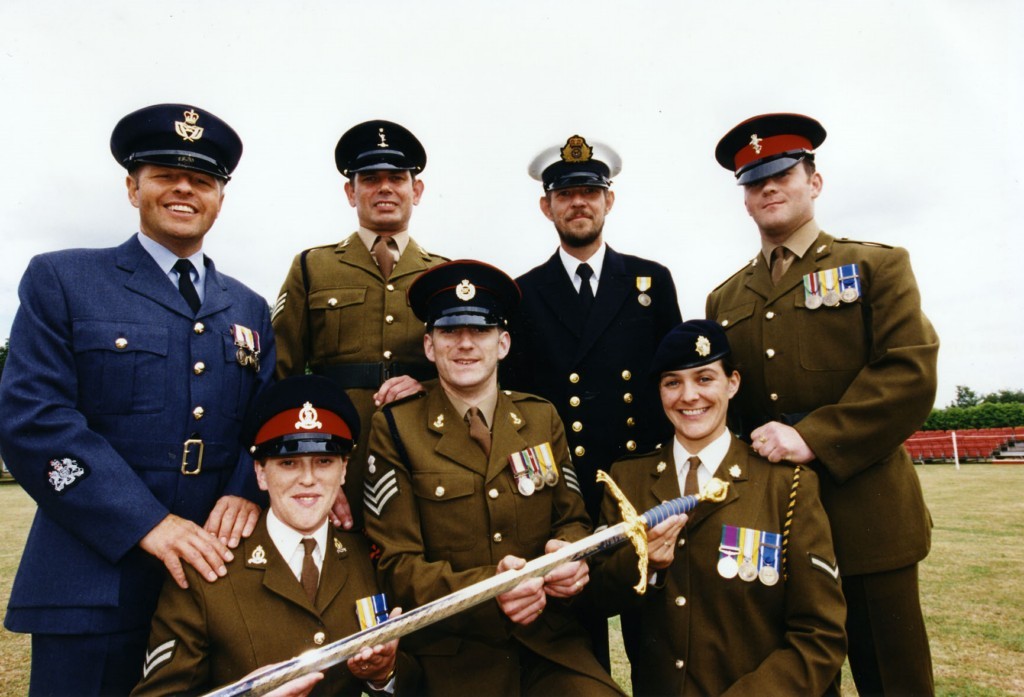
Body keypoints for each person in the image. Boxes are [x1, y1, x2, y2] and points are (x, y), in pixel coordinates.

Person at [0, 103, 275, 694]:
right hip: (91, 583)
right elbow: (34, 421)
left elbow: (267, 424)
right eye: (164, 174)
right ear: (132, 187)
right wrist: (147, 522)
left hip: (212, 581)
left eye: (202, 179)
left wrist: (245, 491)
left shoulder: (249, 308)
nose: (184, 189)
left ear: (220, 198)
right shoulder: (63, 279)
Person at [706, 113, 939, 695]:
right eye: (754, 181)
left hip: (868, 517)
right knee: (801, 683)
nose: (769, 188)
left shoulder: (875, 266)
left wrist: (813, 436)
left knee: (894, 680)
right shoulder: (725, 298)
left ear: (815, 181)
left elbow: (909, 371)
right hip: (777, 525)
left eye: (783, 173)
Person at [363, 260, 625, 696]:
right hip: (455, 656)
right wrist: (493, 590)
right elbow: (397, 567)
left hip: (549, 646)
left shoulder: (541, 418)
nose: (465, 344)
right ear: (429, 346)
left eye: (480, 331)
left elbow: (573, 522)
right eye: (449, 331)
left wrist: (572, 557)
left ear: (502, 343)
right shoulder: (396, 428)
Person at [591, 319, 847, 696]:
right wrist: (645, 563)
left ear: (733, 383)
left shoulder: (787, 484)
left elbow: (821, 635)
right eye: (672, 382)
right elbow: (596, 596)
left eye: (705, 378)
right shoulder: (626, 481)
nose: (689, 396)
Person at [502, 134, 682, 667]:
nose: (578, 202)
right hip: (565, 500)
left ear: (609, 200)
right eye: (565, 194)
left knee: (658, 645)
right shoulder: (523, 293)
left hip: (640, 488)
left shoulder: (652, 281)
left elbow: (677, 386)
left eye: (589, 191)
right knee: (580, 656)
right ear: (546, 206)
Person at [132, 375, 412, 696]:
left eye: (323, 461)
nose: (308, 479)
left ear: (344, 469)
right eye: (288, 462)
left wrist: (384, 674)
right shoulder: (207, 573)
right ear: (260, 474)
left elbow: (419, 681)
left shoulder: (370, 557)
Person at [272, 119, 447, 531]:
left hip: (422, 455)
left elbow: (471, 368)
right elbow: (282, 375)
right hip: (335, 456)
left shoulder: (443, 275)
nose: (384, 188)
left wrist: (428, 386)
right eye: (369, 179)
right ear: (351, 192)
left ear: (416, 191)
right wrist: (301, 471)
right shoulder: (312, 267)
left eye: (396, 178)